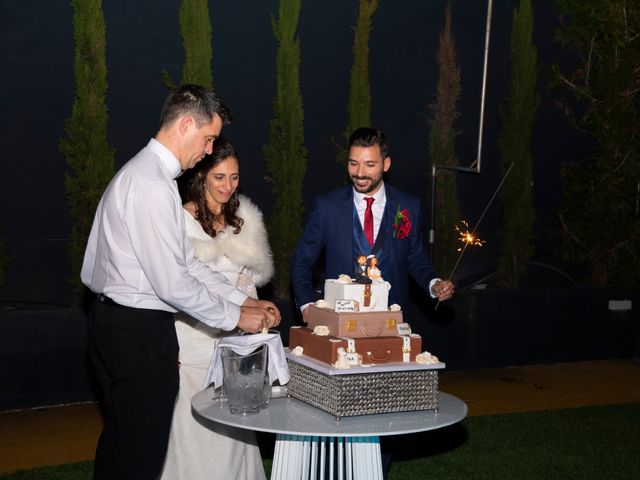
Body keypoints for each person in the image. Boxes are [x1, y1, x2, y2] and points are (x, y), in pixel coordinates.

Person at [81, 85, 280, 480]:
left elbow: (189, 263)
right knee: (140, 454)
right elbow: (173, 283)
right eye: (208, 139)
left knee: (123, 442)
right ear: (186, 123)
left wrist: (243, 303)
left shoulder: (150, 176)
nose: (208, 150)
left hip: (117, 324)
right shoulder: (152, 185)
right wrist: (236, 318)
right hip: (136, 331)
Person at [160, 139, 272, 480]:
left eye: (234, 177)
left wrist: (258, 313)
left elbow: (246, 285)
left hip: (230, 337)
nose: (228, 186)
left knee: (232, 422)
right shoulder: (179, 219)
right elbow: (174, 286)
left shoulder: (244, 219)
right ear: (202, 176)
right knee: (191, 423)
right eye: (220, 177)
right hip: (190, 337)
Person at [291, 126, 454, 322]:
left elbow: (414, 256)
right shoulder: (327, 207)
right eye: (353, 163)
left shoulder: (408, 206)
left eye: (369, 165)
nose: (360, 173)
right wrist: (307, 304)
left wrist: (433, 283)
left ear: (386, 164)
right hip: (340, 319)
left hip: (393, 319)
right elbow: (301, 259)